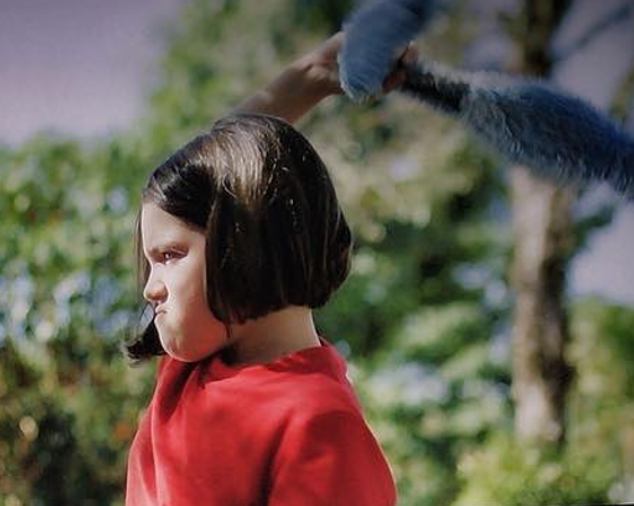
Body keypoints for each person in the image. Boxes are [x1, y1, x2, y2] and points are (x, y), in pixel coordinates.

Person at [123, 33, 416, 505]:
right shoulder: (188, 372)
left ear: (244, 238)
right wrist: (306, 82)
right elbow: (219, 162)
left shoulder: (319, 426)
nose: (150, 289)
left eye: (170, 256)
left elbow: (237, 178)